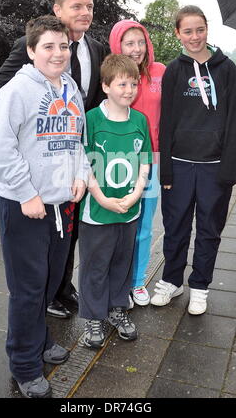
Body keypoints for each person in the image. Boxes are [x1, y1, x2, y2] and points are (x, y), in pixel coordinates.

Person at [0, 0, 107, 319]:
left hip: (72, 160)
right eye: (76, 6)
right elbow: (3, 88)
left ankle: (60, 287)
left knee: (65, 239)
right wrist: (37, 128)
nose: (84, 12)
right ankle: (44, 302)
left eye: (89, 7)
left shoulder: (96, 49)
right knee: (31, 266)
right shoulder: (34, 48)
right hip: (38, 161)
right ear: (57, 9)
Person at [0, 15, 90, 398]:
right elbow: (1, 145)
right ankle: (25, 364)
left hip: (62, 205)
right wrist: (27, 194)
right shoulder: (18, 90)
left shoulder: (72, 88)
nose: (58, 53)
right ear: (31, 51)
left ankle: (41, 339)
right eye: (48, 46)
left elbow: (77, 140)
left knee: (48, 284)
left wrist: (80, 174)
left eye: (63, 46)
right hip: (26, 206)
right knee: (28, 289)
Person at [150, 5, 236, 315]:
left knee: (208, 229)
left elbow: (233, 123)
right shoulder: (175, 70)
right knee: (175, 227)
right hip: (179, 163)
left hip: (214, 167)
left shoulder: (226, 68)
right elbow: (167, 121)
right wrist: (166, 170)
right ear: (178, 34)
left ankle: (200, 286)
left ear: (207, 30)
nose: (194, 36)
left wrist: (228, 169)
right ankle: (172, 281)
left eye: (199, 29)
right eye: (187, 31)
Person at [78, 54, 153, 349]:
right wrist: (101, 198)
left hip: (129, 210)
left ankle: (116, 310)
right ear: (106, 86)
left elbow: (145, 161)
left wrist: (136, 194)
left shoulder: (140, 120)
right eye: (122, 84)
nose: (129, 90)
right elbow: (83, 163)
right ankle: (94, 317)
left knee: (122, 263)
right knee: (96, 265)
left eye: (133, 84)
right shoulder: (92, 119)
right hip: (98, 211)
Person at [109, 20, 166, 306]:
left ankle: (138, 281)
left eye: (140, 42)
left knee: (144, 224)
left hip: (152, 160)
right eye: (129, 43)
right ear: (118, 45)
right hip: (119, 160)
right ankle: (117, 281)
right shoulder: (112, 74)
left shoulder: (160, 72)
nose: (136, 49)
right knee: (119, 222)